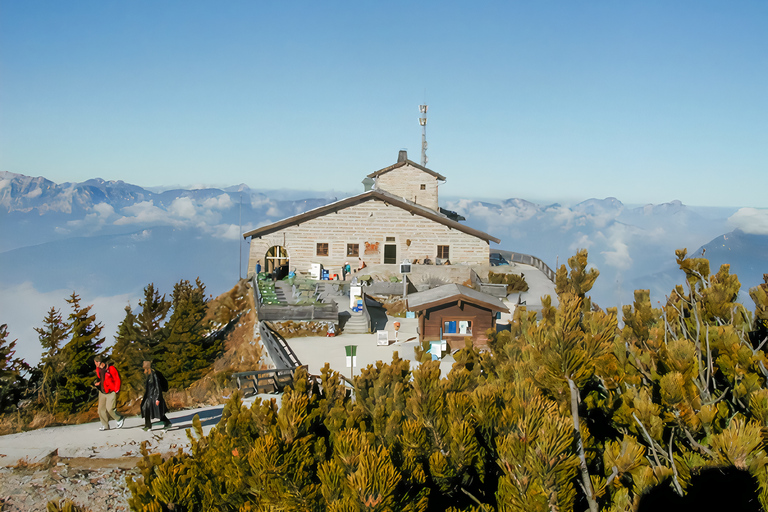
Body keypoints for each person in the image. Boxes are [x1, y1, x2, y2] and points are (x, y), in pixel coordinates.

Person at [93, 355, 124, 431]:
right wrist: (97, 383)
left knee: (110, 409)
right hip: (102, 392)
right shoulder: (98, 369)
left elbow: (117, 379)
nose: (95, 364)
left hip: (111, 392)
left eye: (95, 362)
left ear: (99, 362)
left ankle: (119, 418)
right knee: (100, 410)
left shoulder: (111, 368)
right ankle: (105, 425)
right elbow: (101, 379)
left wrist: (116, 390)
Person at [140, 360, 172, 431]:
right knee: (146, 410)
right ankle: (148, 426)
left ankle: (167, 423)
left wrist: (158, 398)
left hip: (154, 396)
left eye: (144, 368)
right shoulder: (149, 375)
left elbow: (158, 387)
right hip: (149, 396)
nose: (144, 370)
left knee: (159, 412)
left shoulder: (154, 375)